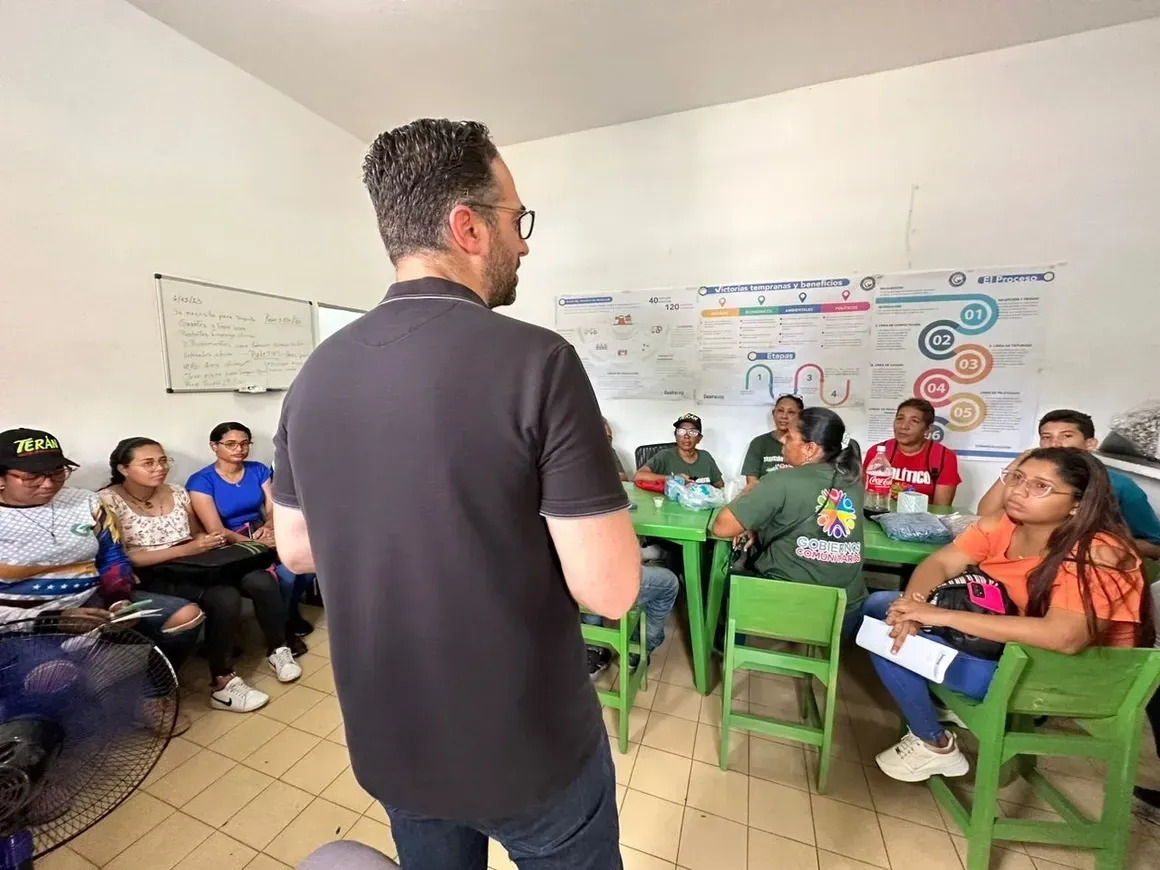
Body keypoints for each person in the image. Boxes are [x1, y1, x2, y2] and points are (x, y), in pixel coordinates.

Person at [270, 118, 640, 869]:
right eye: (516, 220)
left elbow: (297, 548)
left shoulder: (315, 374)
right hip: (527, 750)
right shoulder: (538, 360)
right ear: (468, 227)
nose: (525, 242)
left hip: (393, 742)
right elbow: (613, 589)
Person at [865, 448, 1151, 783]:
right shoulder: (1004, 526)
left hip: (1060, 677)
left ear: (1078, 503)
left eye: (1040, 486)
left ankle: (933, 743)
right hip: (1014, 652)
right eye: (1016, 478)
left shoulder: (1098, 552)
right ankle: (938, 704)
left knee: (884, 640)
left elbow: (1065, 637)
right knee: (884, 606)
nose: (1018, 491)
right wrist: (913, 608)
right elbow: (940, 562)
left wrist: (939, 615)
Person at [0, 428, 204, 733]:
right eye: (31, 477)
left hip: (96, 603)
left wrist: (118, 599)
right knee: (52, 676)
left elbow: (112, 556)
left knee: (186, 616)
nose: (48, 483)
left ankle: (152, 697)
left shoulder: (85, 503)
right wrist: (52, 620)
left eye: (58, 472)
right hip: (22, 622)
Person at [101, 437, 299, 705]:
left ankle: (279, 648)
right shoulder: (107, 501)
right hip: (156, 571)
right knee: (225, 596)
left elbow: (196, 534)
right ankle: (223, 681)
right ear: (124, 469)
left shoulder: (177, 492)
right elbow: (123, 558)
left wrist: (207, 542)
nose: (159, 468)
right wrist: (187, 550)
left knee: (261, 579)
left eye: (162, 461)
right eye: (148, 463)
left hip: (196, 564)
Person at [712, 407, 868, 639]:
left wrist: (750, 491)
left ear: (810, 449)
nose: (783, 439)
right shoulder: (853, 482)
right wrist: (758, 525)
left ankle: (727, 646)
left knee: (722, 580)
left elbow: (722, 527)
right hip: (846, 613)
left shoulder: (780, 480)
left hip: (790, 607)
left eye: (790, 436)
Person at [187, 422, 313, 654]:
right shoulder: (201, 481)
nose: (239, 449)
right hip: (229, 544)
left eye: (245, 443)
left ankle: (289, 613)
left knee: (304, 566)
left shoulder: (257, 470)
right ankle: (282, 630)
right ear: (214, 446)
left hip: (261, 531)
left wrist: (269, 526)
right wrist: (257, 543)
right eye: (231, 444)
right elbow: (216, 530)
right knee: (284, 575)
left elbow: (273, 506)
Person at [977, 409, 1160, 559]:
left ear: (1090, 444)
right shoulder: (1030, 476)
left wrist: (1100, 548)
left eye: (1066, 436)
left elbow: (1155, 546)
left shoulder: (1120, 486)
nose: (1055, 443)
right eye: (1046, 437)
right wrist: (1019, 464)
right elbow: (985, 513)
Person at [584, 544, 680, 678]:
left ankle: (592, 648)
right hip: (598, 580)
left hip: (561, 584)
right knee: (669, 584)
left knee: (586, 565)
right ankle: (639, 648)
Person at [863, 398, 961, 505]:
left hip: (922, 519)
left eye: (914, 421)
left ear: (928, 428)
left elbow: (941, 508)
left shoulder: (944, 457)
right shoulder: (877, 452)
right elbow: (866, 497)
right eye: (900, 418)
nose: (904, 426)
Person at [634, 414, 724, 488]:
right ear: (675, 436)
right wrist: (673, 478)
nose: (686, 436)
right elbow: (638, 476)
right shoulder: (665, 455)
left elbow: (720, 485)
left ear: (699, 438)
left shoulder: (705, 456)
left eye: (692, 432)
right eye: (681, 431)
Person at [741, 394, 804, 486]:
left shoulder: (807, 444)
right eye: (780, 411)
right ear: (773, 413)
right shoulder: (759, 443)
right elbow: (751, 483)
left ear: (800, 416)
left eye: (791, 412)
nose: (784, 416)